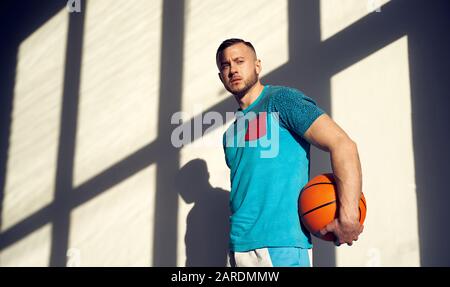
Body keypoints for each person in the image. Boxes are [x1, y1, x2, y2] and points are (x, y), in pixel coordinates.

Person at [217, 38, 364, 267]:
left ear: (257, 66)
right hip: (237, 249)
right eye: (225, 65)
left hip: (281, 246)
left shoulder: (282, 101)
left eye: (239, 61)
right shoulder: (230, 134)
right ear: (221, 76)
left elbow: (343, 145)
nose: (233, 69)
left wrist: (349, 217)